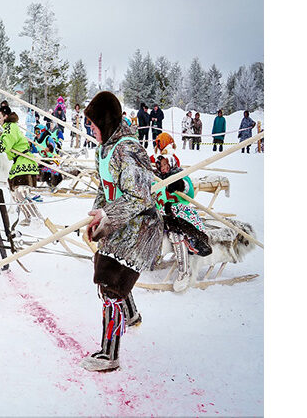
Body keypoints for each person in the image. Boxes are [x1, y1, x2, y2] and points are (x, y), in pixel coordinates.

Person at [81, 91, 163, 372]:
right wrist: (96, 218)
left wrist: (107, 215)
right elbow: (105, 192)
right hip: (122, 224)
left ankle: (110, 355)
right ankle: (131, 316)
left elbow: (140, 196)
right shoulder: (103, 150)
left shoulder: (127, 150)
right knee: (105, 268)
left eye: (93, 123)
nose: (90, 128)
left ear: (105, 120)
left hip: (142, 227)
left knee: (110, 285)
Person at [153, 155, 211, 292]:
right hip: (162, 215)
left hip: (180, 214)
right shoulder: (156, 180)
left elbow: (189, 192)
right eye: (161, 166)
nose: (164, 168)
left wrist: (179, 184)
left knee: (175, 234)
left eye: (166, 164)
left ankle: (183, 272)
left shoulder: (180, 175)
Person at [0, 105, 42, 227]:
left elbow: (5, 145)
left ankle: (37, 218)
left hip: (24, 163)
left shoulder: (10, 127)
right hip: (19, 163)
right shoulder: (9, 128)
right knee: (16, 194)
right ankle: (30, 217)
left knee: (21, 193)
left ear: (5, 116)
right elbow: (3, 141)